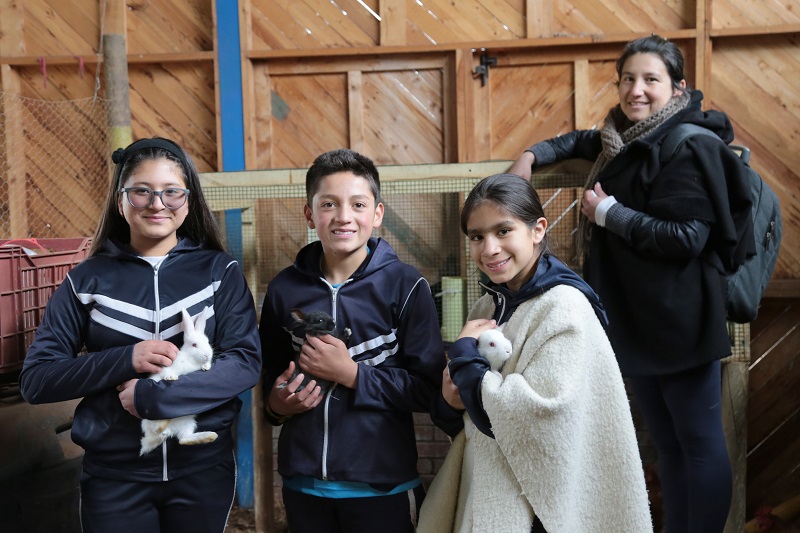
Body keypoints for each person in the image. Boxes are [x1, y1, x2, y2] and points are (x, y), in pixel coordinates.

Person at [508, 35, 755, 533]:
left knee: (700, 444)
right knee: (667, 445)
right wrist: (529, 157)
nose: (636, 90)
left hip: (681, 317)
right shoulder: (622, 137)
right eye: (627, 79)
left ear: (678, 87)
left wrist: (610, 213)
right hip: (636, 317)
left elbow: (689, 237)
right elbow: (577, 142)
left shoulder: (691, 144)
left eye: (650, 80)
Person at [19, 137, 262, 533]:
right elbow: (36, 380)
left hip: (202, 473)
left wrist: (154, 397)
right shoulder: (86, 279)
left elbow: (245, 364)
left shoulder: (220, 273)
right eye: (141, 192)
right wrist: (124, 359)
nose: (157, 203)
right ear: (121, 201)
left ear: (188, 201)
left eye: (171, 192)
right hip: (114, 478)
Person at [417, 174, 652, 533]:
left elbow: (540, 415)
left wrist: (464, 355)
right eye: (477, 237)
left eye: (503, 231)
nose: (489, 248)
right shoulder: (486, 305)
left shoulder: (565, 306)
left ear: (538, 229)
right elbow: (468, 420)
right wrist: (450, 402)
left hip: (541, 510)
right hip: (490, 492)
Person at [260, 148, 463, 533]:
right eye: (328, 204)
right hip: (303, 485)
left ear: (377, 213)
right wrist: (275, 403)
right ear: (309, 214)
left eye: (357, 204)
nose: (343, 216)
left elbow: (426, 390)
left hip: (382, 487)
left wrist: (352, 374)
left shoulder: (406, 286)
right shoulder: (284, 289)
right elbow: (269, 374)